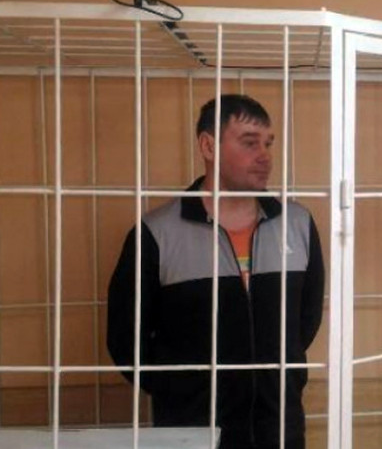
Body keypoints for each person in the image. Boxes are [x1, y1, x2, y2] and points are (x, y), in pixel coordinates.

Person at [107, 94, 325, 449]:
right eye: (249, 142)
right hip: (191, 434)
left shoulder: (297, 224)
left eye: (268, 143)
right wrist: (180, 392)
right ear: (208, 146)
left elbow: (305, 321)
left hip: (279, 428)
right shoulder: (157, 233)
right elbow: (125, 339)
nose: (265, 156)